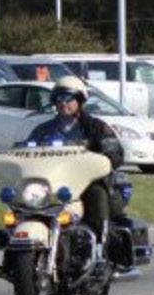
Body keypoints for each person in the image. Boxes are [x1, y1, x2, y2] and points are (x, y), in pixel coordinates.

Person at [22, 76, 124, 241]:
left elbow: (116, 154)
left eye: (68, 98)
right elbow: (26, 152)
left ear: (80, 101)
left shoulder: (95, 127)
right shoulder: (43, 130)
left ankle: (100, 242)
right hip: (51, 184)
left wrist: (106, 155)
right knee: (21, 204)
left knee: (97, 196)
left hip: (86, 184)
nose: (63, 103)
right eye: (59, 98)